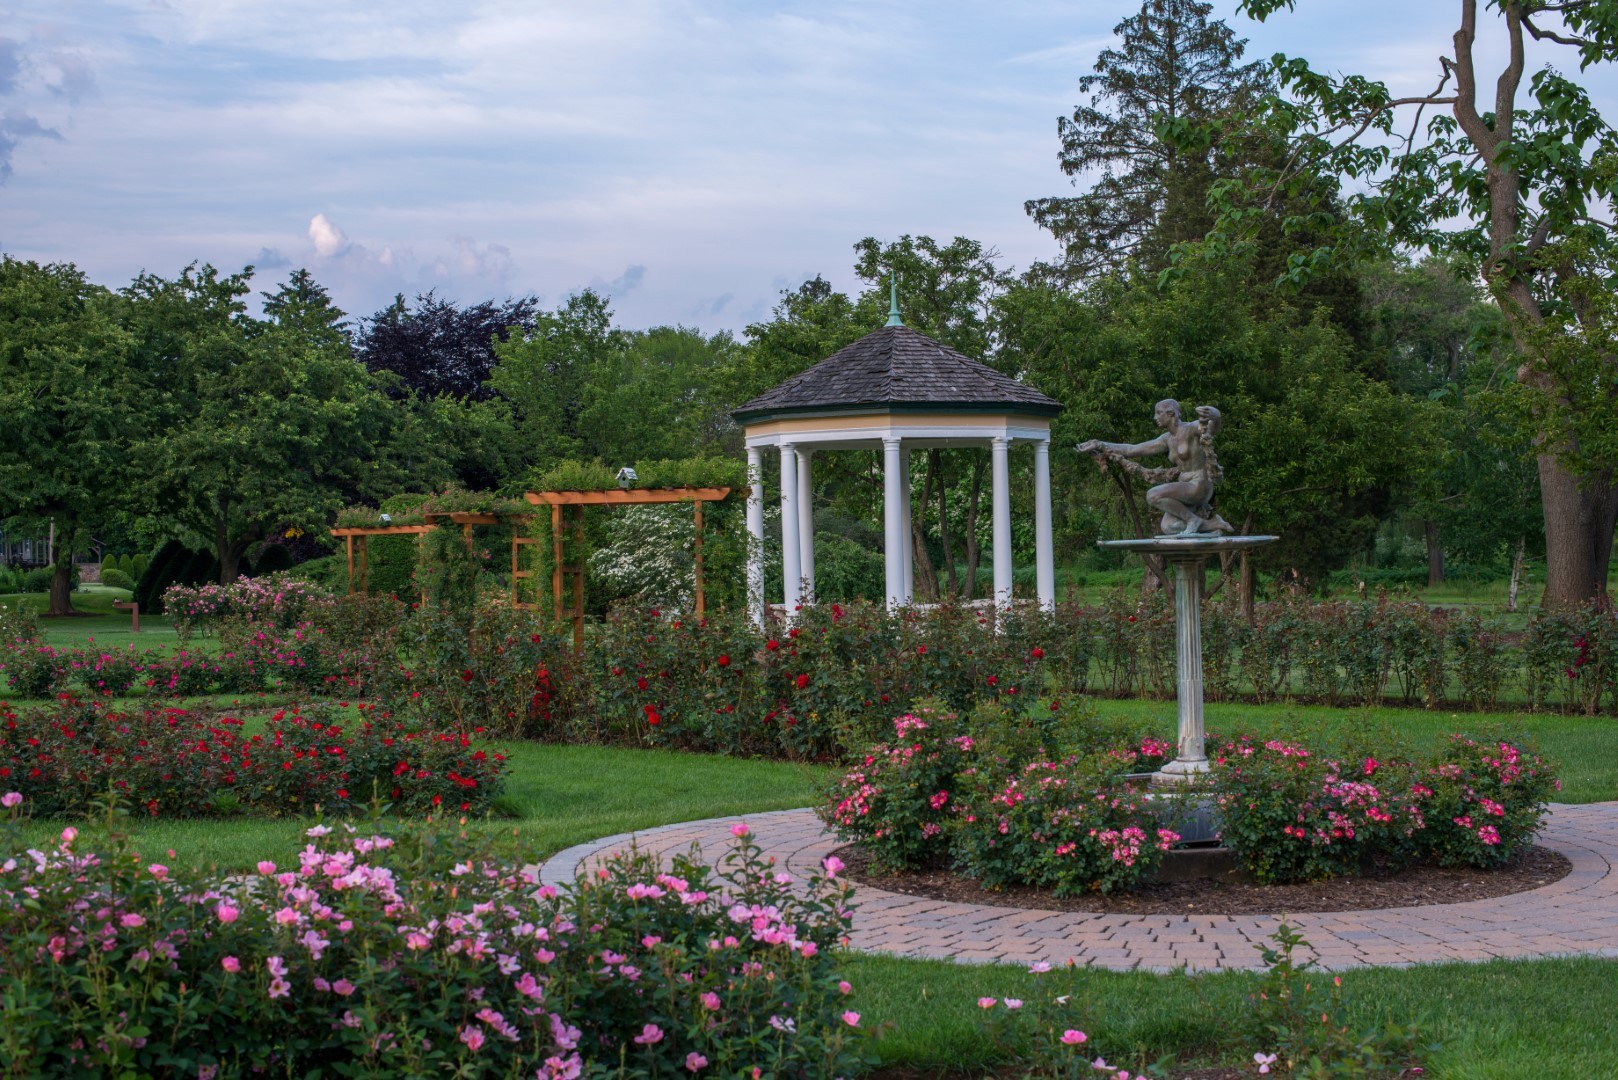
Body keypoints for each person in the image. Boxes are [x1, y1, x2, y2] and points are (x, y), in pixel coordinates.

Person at [1077, 400, 1233, 536]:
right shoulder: (1166, 439)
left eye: (1158, 413)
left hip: (1199, 484)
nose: (1155, 417)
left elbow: (1213, 426)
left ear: (1171, 413)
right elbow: (1131, 449)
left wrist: (1213, 413)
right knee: (1169, 527)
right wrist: (1099, 444)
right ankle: (1212, 524)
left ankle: (1193, 519)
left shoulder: (1190, 429)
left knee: (1153, 495)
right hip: (1185, 486)